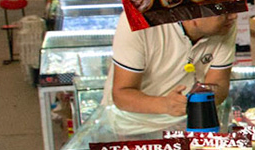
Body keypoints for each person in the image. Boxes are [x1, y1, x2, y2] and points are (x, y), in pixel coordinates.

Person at [101, 12, 239, 134]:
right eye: (223, 10)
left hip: (186, 126)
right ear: (194, 12)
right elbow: (122, 94)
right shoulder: (137, 20)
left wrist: (197, 105)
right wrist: (167, 105)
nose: (233, 15)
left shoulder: (224, 26)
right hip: (131, 128)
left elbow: (218, 83)